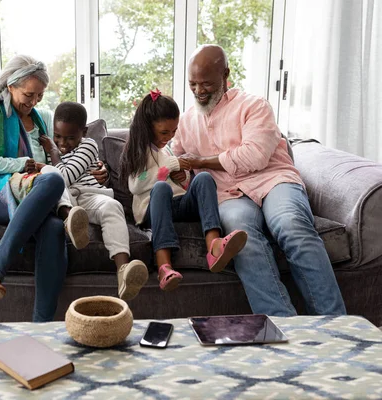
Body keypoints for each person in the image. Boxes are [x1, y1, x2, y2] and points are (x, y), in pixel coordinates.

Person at [172, 44, 346, 316]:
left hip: (273, 180)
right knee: (240, 238)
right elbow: (176, 163)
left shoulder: (254, 106)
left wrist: (201, 162)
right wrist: (179, 172)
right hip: (227, 194)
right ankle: (282, 326)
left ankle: (334, 325)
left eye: (206, 83)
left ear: (225, 75)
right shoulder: (185, 122)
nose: (198, 91)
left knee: (291, 224)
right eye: (192, 84)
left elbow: (254, 157)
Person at [0, 55, 105, 322]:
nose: (33, 102)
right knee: (53, 179)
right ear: (10, 86)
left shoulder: (43, 117)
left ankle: (40, 327)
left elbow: (65, 158)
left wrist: (99, 168)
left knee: (53, 226)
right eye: (28, 95)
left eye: (40, 96)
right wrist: (25, 163)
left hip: (34, 192)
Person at [121, 90, 248, 291]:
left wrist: (184, 179)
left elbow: (177, 182)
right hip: (151, 209)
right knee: (161, 188)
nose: (170, 137)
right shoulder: (140, 150)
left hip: (178, 204)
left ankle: (214, 247)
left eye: (174, 131)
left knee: (204, 178)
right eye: (165, 132)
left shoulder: (167, 149)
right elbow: (136, 183)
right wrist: (170, 167)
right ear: (148, 126)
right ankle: (164, 266)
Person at [36, 101, 149, 301]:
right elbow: (54, 181)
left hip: (90, 195)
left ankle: (123, 270)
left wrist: (53, 151)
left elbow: (67, 176)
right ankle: (70, 219)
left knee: (113, 206)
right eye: (58, 136)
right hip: (65, 199)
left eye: (70, 138)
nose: (63, 143)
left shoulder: (88, 145)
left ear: (84, 132)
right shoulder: (44, 149)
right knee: (49, 174)